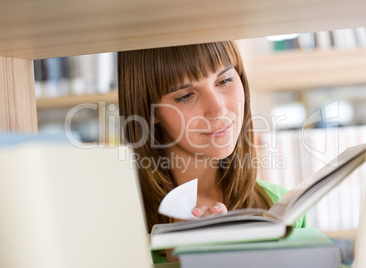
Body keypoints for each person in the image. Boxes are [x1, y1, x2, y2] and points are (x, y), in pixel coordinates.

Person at [117, 41, 307, 263]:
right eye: (185, 96)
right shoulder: (116, 221)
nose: (217, 109)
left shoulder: (282, 206)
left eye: (225, 80)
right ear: (149, 110)